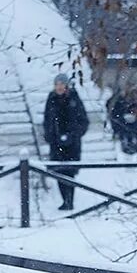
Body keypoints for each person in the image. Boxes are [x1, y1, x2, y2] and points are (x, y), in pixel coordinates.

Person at [42, 73, 90, 210]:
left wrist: (73, 135)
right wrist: (49, 135)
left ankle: (69, 201)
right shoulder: (51, 99)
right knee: (58, 172)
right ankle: (65, 200)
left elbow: (83, 121)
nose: (59, 87)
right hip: (56, 144)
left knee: (69, 172)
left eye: (62, 84)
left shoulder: (74, 99)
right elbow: (47, 120)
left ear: (67, 85)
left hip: (72, 145)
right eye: (57, 84)